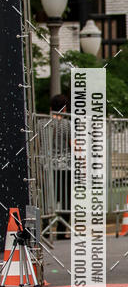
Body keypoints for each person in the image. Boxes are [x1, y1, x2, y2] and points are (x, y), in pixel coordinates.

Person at [49, 94, 71, 240]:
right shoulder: (67, 125)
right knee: (66, 199)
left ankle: (45, 227)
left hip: (47, 165)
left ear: (51, 108)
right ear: (64, 109)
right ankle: (62, 231)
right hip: (64, 166)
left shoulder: (41, 123)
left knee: (48, 197)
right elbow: (72, 145)